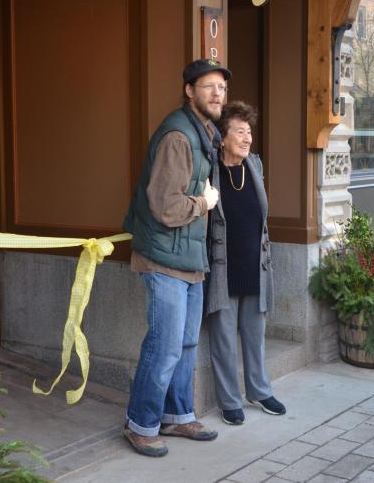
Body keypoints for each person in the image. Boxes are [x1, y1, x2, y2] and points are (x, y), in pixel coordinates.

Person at [120, 59, 230, 457]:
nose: (217, 93)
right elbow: (165, 207)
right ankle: (141, 423)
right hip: (164, 257)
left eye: (221, 87)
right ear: (189, 91)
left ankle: (178, 415)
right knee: (164, 344)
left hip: (189, 257)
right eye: (208, 86)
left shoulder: (204, 133)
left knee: (184, 343)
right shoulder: (178, 137)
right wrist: (204, 202)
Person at [205, 101, 285, 426]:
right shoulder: (210, 169)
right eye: (240, 132)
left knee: (255, 333)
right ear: (223, 137)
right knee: (223, 337)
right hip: (223, 265)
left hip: (255, 263)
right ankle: (229, 400)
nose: (247, 137)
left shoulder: (255, 165)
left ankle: (260, 390)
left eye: (249, 132)